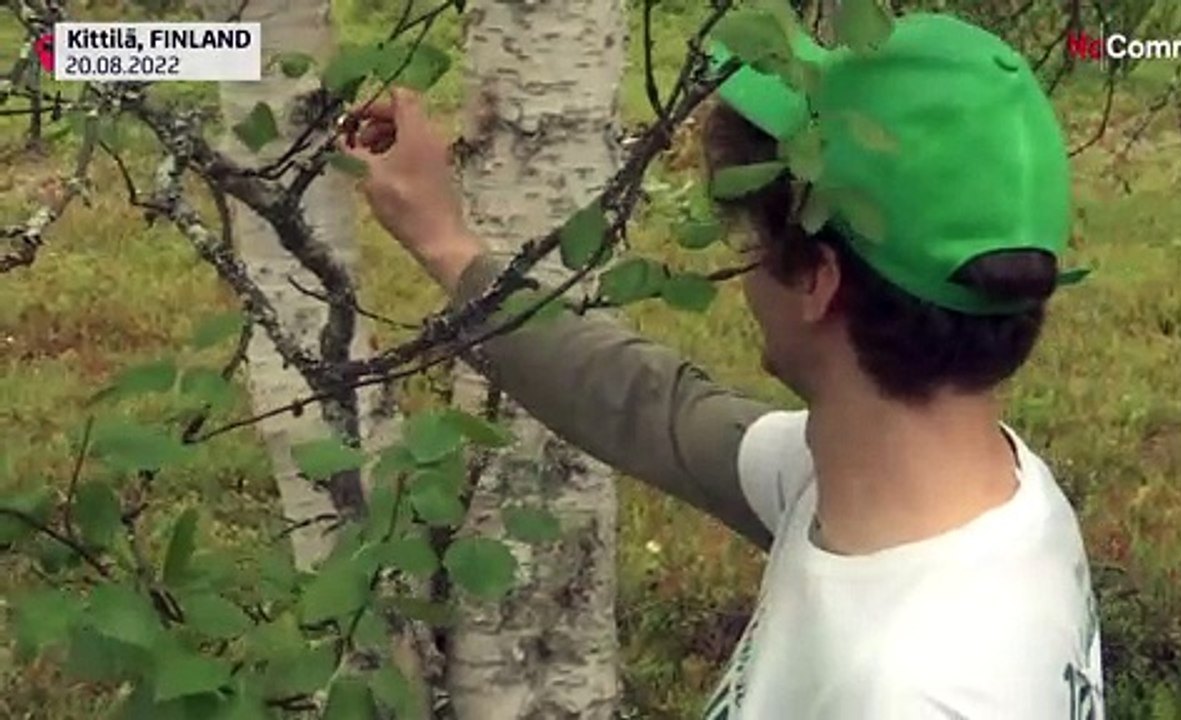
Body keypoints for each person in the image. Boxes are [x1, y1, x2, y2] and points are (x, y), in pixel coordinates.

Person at [342, 11, 1104, 719]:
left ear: (815, 279)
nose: (744, 268)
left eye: (753, 243)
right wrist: (447, 245)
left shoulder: (917, 690)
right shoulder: (953, 491)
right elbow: (654, 410)